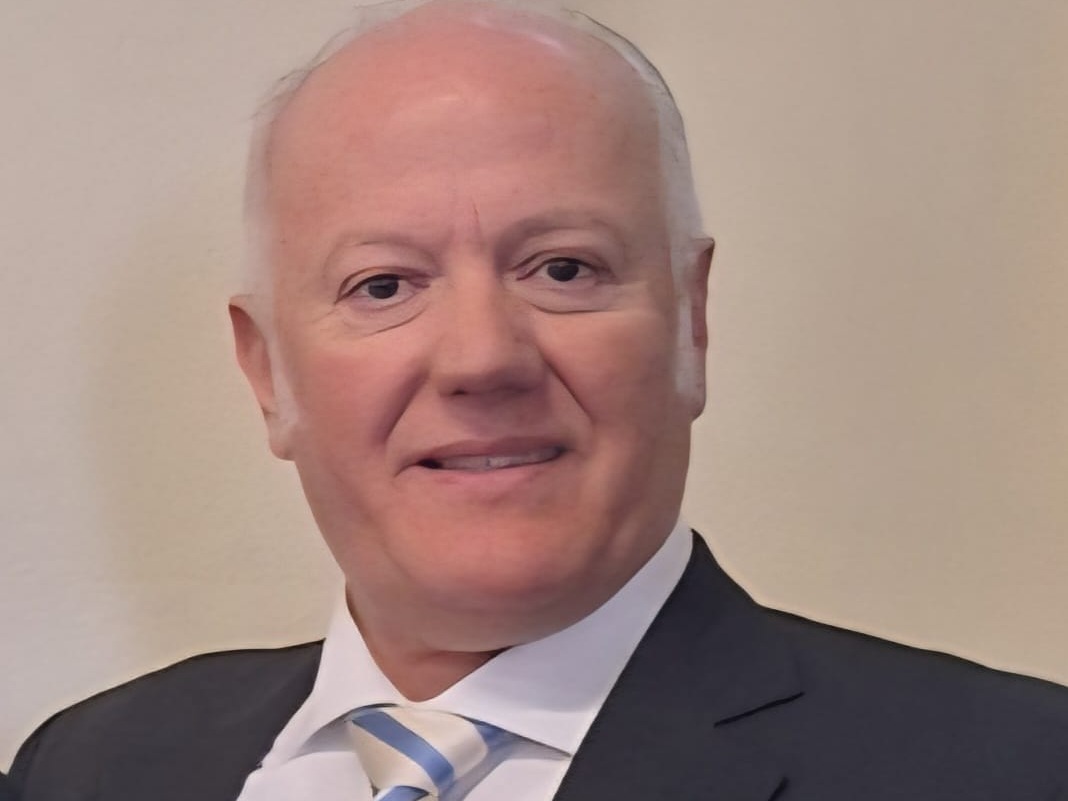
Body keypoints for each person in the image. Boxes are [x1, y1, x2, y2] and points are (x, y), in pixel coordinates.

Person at [8, 1, 1067, 799]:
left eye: (564, 268)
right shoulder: (86, 768)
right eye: (384, 285)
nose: (482, 357)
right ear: (267, 373)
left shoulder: (1013, 769)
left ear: (690, 323)